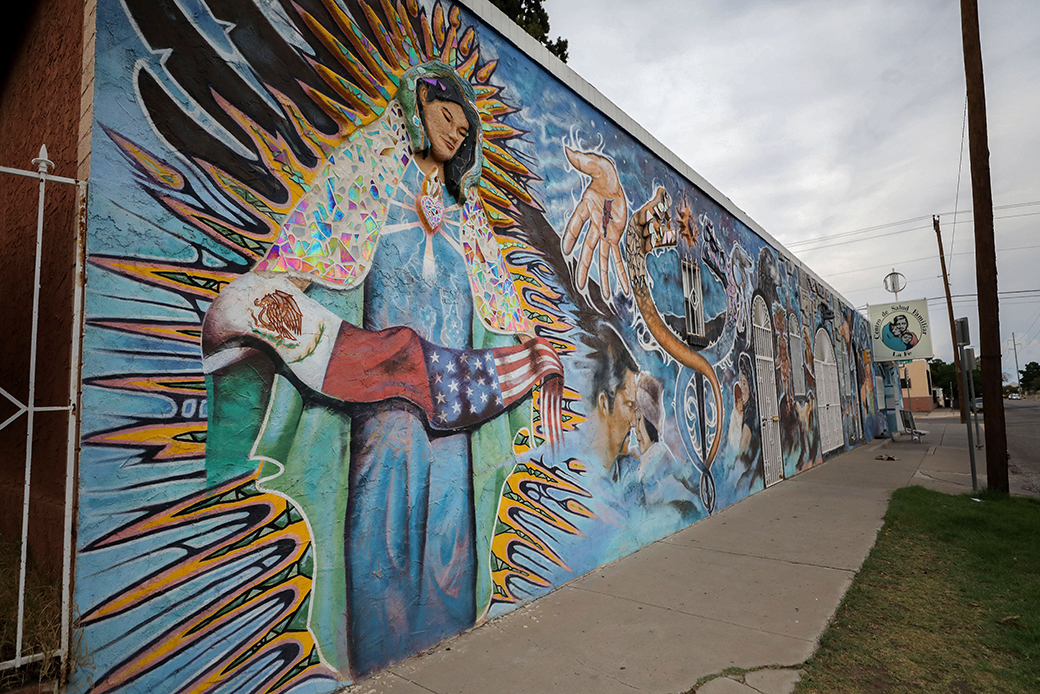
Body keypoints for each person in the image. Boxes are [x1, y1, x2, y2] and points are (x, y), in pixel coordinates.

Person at [201, 61, 563, 678]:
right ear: (419, 105)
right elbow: (298, 259)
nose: (457, 132)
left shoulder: (465, 215)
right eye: (448, 115)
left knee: (451, 545)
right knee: (382, 546)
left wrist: (533, 345)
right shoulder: (368, 178)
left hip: (454, 416)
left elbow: (499, 297)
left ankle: (450, 660)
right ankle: (378, 663)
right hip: (381, 411)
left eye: (466, 127)